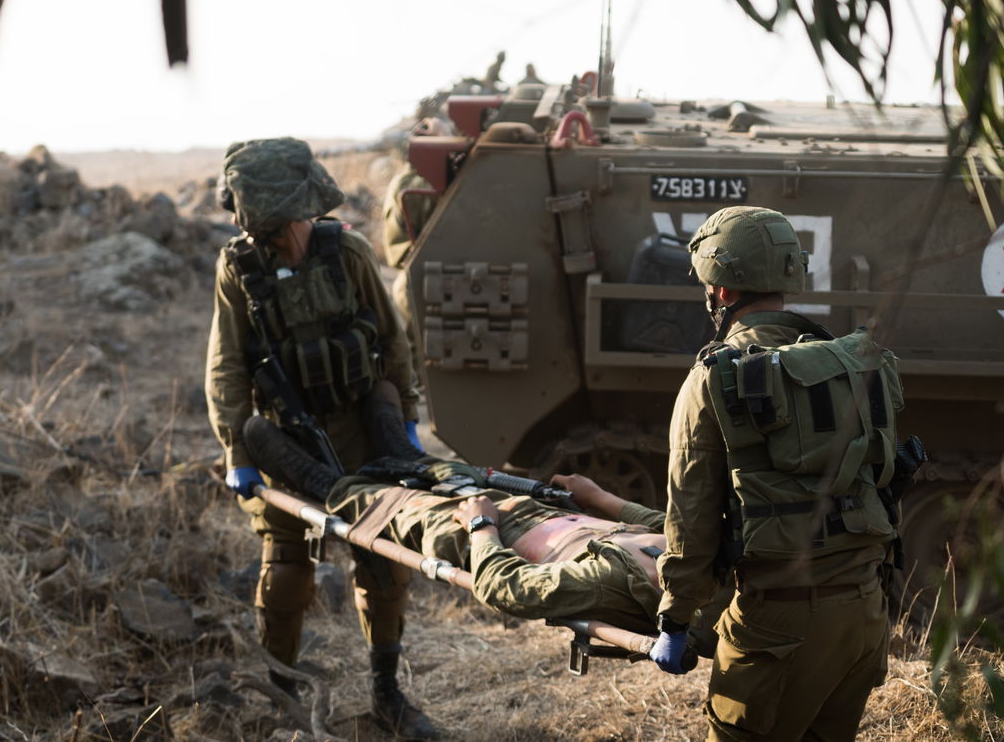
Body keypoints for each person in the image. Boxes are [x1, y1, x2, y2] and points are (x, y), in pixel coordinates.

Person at [203, 137, 434, 739]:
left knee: (382, 565)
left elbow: (392, 340)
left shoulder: (347, 251)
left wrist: (404, 419)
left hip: (360, 430)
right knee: (286, 574)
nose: (281, 237)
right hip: (285, 442)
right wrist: (237, 452)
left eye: (286, 223)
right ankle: (282, 697)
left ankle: (387, 693)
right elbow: (226, 364)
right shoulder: (239, 268)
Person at [650, 206, 903, 741]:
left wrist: (675, 620)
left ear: (720, 292)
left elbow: (691, 514)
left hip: (779, 626)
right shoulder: (850, 361)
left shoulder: (713, 378)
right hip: (864, 617)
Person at [241, 404, 724, 654]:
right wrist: (601, 497)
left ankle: (322, 481)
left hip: (480, 533)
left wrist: (480, 526)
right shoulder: (697, 556)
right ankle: (409, 455)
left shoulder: (610, 584)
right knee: (454, 473)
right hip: (542, 508)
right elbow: (657, 522)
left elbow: (506, 588)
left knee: (394, 504)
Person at [379, 117, 453, 366]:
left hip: (417, 278)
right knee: (423, 362)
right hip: (416, 281)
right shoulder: (413, 183)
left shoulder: (411, 178)